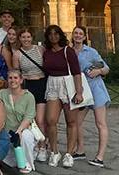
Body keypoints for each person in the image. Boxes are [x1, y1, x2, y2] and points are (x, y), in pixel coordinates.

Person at [43, 25, 83, 168]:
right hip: (52, 84)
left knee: (71, 121)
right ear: (47, 37)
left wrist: (79, 92)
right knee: (51, 120)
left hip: (68, 84)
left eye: (56, 34)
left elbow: (77, 72)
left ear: (60, 35)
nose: (53, 37)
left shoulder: (68, 51)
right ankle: (54, 152)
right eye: (50, 34)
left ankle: (69, 154)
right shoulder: (46, 52)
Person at [72, 26, 110, 167]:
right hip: (81, 91)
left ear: (84, 37)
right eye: (75, 33)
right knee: (76, 122)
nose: (77, 35)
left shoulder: (91, 51)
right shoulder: (69, 51)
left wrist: (99, 71)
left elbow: (106, 68)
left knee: (100, 123)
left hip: (96, 89)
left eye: (80, 34)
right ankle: (80, 150)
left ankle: (99, 157)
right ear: (72, 35)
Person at [12, 27, 48, 162]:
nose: (26, 39)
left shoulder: (40, 50)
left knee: (40, 119)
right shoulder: (17, 54)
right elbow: (16, 73)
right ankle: (32, 145)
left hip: (41, 84)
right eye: (23, 37)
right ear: (19, 39)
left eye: (28, 37)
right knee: (28, 119)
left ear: (31, 37)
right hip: (27, 86)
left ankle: (43, 146)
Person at [0, 70, 37, 173]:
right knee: (4, 162)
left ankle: (27, 163)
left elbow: (29, 117)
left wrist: (19, 131)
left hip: (23, 130)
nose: (12, 80)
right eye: (10, 78)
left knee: (25, 136)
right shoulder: (2, 94)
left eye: (15, 78)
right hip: (6, 132)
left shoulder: (29, 96)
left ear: (21, 80)